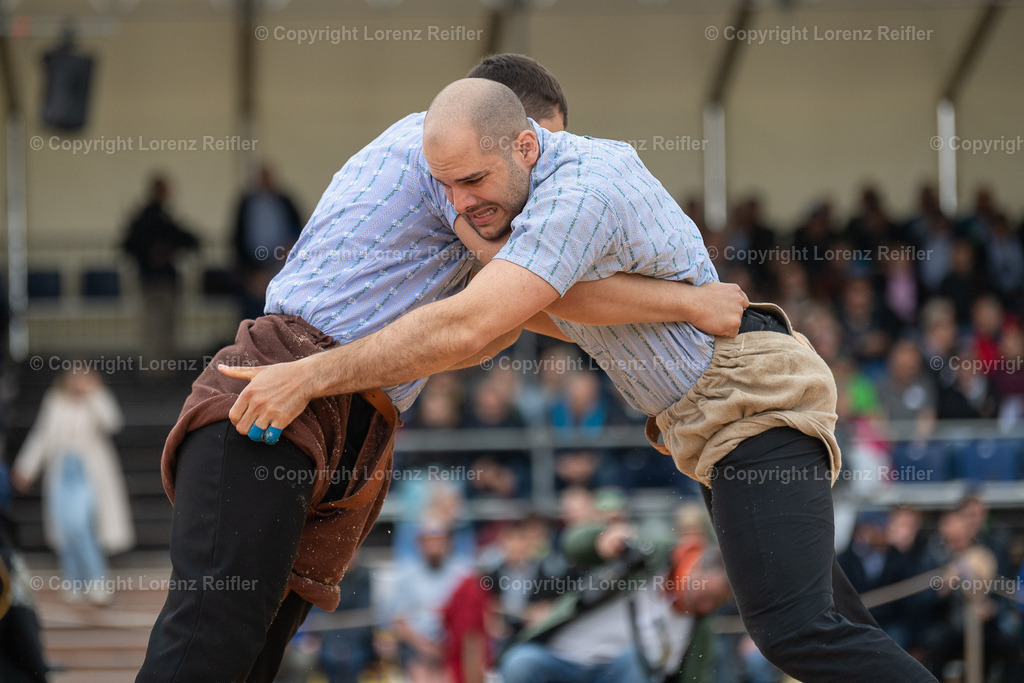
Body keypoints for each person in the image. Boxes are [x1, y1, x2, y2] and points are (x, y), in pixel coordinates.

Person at [223, 78, 937, 681]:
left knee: (794, 629)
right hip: (717, 421)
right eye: (447, 187)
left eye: (475, 181)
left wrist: (312, 373)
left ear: (530, 138)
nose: (463, 203)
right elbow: (523, 317)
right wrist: (681, 300)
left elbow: (477, 324)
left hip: (751, 403)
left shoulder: (579, 190)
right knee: (834, 622)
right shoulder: (535, 206)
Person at [138, 57, 746, 683]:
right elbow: (527, 296)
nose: (548, 177)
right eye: (541, 150)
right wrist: (688, 302)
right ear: (503, 129)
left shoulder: (459, 183)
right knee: (209, 642)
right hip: (282, 380)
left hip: (344, 412)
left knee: (252, 656)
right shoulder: (446, 158)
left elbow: (507, 315)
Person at [12, 368, 134, 606]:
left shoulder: (97, 398)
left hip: (88, 473)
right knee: (66, 527)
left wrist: (94, 393)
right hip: (61, 472)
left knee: (79, 524)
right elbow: (42, 436)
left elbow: (113, 422)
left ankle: (97, 580)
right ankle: (74, 581)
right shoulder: (55, 401)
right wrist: (26, 467)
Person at [121, 174, 200, 369]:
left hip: (162, 280)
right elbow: (130, 245)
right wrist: (153, 256)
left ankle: (161, 370)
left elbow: (189, 239)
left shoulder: (160, 217)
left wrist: (168, 251)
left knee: (163, 327)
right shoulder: (148, 218)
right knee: (155, 327)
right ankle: (156, 371)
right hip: (152, 281)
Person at [232, 163, 304, 320]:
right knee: (254, 312)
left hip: (282, 265)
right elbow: (237, 237)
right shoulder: (246, 202)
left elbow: (299, 231)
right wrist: (250, 271)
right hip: (253, 269)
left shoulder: (285, 201)